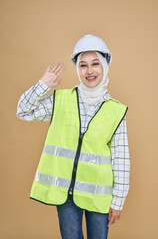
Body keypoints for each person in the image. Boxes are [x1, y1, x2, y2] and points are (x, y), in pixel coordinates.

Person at [16, 34, 130, 239]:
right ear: (78, 69)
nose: (89, 71)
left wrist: (118, 201)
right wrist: (43, 84)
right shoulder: (60, 100)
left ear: (104, 66)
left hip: (99, 195)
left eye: (95, 64)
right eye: (83, 65)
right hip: (66, 195)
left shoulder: (116, 111)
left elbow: (121, 160)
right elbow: (23, 111)